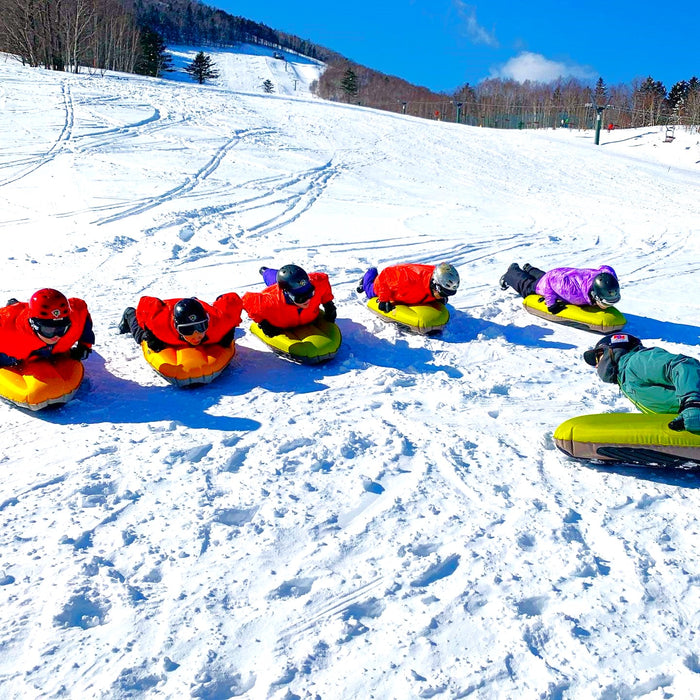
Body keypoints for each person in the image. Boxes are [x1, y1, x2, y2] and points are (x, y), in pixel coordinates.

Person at [583, 333, 700, 433]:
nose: (597, 365)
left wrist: (693, 404)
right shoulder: (625, 381)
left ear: (612, 351)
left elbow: (683, 365)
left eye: (598, 357)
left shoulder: (636, 361)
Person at [0, 288, 94, 367]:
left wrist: (84, 346)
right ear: (34, 326)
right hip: (13, 315)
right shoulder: (6, 331)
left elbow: (81, 309)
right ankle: (13, 304)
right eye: (48, 330)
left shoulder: (74, 321)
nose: (56, 336)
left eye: (61, 329)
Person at [118, 294, 242, 352]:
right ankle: (129, 313)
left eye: (201, 326)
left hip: (202, 308)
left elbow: (232, 301)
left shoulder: (218, 324)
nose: (196, 335)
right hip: (166, 310)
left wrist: (228, 330)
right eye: (187, 330)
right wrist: (150, 333)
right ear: (177, 328)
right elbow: (145, 303)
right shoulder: (159, 325)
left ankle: (194, 301)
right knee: (142, 336)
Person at [242, 265, 335, 337]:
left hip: (290, 284)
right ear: (288, 294)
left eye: (310, 293)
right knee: (273, 278)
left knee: (289, 279)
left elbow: (323, 279)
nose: (308, 300)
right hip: (279, 289)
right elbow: (246, 301)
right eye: (300, 298)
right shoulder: (271, 301)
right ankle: (264, 271)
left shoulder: (316, 284)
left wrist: (328, 303)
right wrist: (263, 323)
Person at [499, 263, 620, 314]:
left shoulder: (607, 277)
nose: (609, 305)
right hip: (555, 279)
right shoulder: (574, 292)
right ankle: (511, 272)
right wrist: (551, 304)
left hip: (565, 275)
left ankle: (529, 269)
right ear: (595, 295)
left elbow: (606, 268)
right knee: (529, 286)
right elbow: (551, 282)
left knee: (543, 277)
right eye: (606, 303)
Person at [357, 262, 460, 312]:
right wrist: (384, 299)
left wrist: (442, 296)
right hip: (387, 282)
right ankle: (369, 273)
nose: (444, 296)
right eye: (443, 293)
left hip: (413, 293)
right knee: (370, 291)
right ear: (435, 285)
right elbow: (386, 274)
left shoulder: (438, 277)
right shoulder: (408, 279)